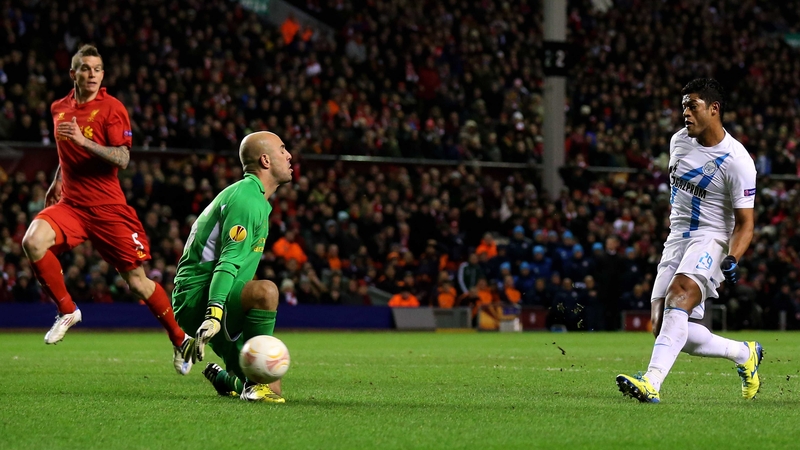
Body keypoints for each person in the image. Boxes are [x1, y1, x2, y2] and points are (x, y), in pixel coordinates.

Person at [20, 45, 193, 374]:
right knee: (32, 241)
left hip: (108, 209)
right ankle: (68, 310)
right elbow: (65, 152)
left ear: (103, 75)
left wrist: (84, 141)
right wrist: (57, 180)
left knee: (137, 282)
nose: (92, 74)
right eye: (85, 68)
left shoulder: (112, 108)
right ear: (73, 73)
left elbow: (123, 158)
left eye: (97, 69)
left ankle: (180, 338)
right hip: (72, 204)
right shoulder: (58, 108)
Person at [616, 79, 762, 403]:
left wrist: (733, 257)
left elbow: (746, 224)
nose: (685, 113)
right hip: (677, 237)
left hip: (711, 237)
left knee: (679, 295)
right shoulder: (678, 142)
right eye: (683, 106)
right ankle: (744, 353)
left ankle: (651, 382)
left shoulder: (737, 160)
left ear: (714, 109)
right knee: (662, 325)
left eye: (692, 106)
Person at [173, 131, 292, 403]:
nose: (289, 155)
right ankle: (253, 384)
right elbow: (227, 261)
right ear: (265, 160)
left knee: (272, 386)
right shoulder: (247, 200)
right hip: (201, 296)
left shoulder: (252, 197)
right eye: (282, 149)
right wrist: (213, 314)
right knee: (265, 292)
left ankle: (227, 380)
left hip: (216, 293)